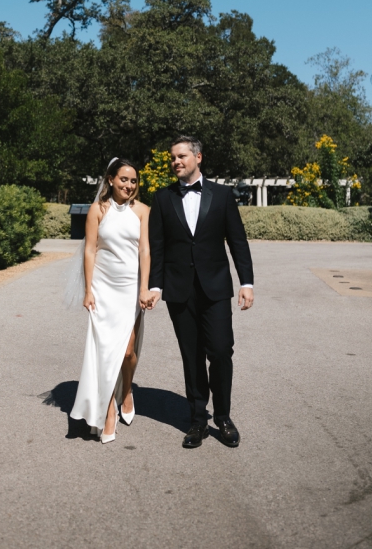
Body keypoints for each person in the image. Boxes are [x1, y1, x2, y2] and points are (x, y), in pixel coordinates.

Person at [142, 136, 253, 449]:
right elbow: (158, 246)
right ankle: (197, 420)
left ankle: (223, 417)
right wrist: (155, 285)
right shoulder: (162, 198)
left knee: (220, 351)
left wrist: (247, 282)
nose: (176, 162)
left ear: (198, 157)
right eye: (173, 158)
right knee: (191, 357)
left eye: (181, 156)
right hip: (179, 291)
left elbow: (238, 240)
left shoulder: (222, 195)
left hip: (215, 288)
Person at [70, 158, 151, 444]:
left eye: (133, 181)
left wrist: (145, 289)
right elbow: (89, 250)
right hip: (103, 289)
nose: (129, 185)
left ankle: (126, 390)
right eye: (123, 179)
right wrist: (88, 290)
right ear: (111, 180)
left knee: (127, 352)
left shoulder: (142, 211)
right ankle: (107, 413)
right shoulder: (97, 210)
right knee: (104, 353)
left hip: (130, 290)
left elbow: (144, 252)